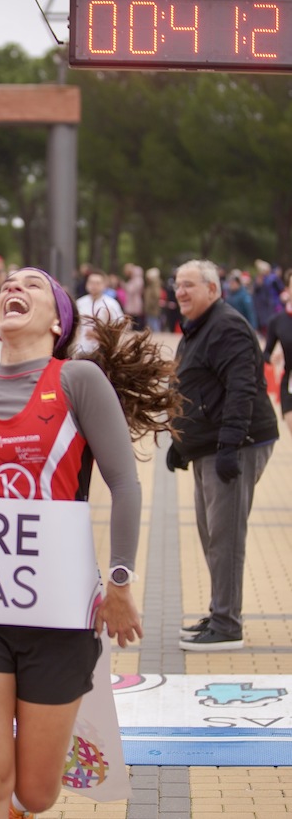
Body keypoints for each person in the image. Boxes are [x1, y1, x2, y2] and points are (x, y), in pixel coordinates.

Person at [0, 266, 181, 819]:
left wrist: (120, 581)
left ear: (57, 322)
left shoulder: (77, 381)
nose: (12, 289)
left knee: (38, 791)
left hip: (60, 619)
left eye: (33, 285)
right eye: (7, 284)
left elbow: (124, 484)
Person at [166, 259, 279, 651]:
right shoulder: (198, 328)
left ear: (213, 290)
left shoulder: (225, 325)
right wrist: (180, 445)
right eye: (177, 284)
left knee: (225, 536)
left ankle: (228, 625)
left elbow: (242, 387)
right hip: (208, 445)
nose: (180, 291)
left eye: (190, 285)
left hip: (237, 444)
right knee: (210, 533)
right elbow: (194, 388)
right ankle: (219, 612)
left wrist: (231, 444)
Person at [263, 267, 292, 438]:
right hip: (289, 384)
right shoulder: (277, 321)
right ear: (287, 290)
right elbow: (265, 353)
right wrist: (272, 358)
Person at [75, 268, 124, 354]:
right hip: (81, 348)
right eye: (91, 282)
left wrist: (102, 334)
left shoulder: (111, 304)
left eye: (97, 283)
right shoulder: (79, 303)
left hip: (103, 350)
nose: (94, 286)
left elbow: (120, 326)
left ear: (104, 285)